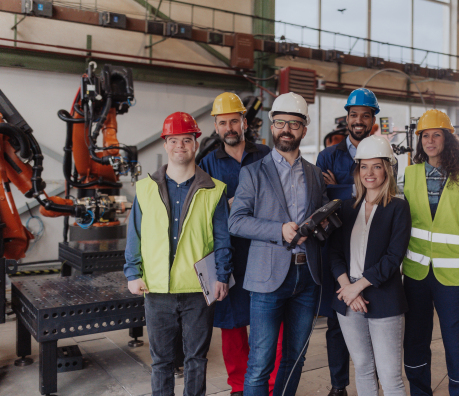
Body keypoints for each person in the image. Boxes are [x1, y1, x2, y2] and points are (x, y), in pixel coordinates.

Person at [124, 112, 232, 396]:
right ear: (165, 144)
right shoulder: (146, 189)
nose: (180, 146)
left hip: (198, 288)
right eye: (173, 140)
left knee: (196, 359)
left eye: (186, 139)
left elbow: (222, 239)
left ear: (195, 143)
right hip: (157, 289)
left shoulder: (214, 190)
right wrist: (132, 272)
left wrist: (222, 276)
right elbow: (134, 234)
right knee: (161, 361)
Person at [229, 92, 328, 396]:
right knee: (261, 362)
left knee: (295, 359)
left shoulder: (314, 173)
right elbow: (236, 221)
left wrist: (322, 222)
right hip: (267, 280)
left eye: (294, 124)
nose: (287, 129)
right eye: (281, 123)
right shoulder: (252, 173)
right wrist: (278, 230)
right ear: (272, 127)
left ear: (304, 129)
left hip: (306, 278)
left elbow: (321, 210)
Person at [198, 92, 281, 396]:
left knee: (269, 323)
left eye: (235, 120)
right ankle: (238, 388)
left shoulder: (266, 156)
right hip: (229, 255)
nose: (229, 127)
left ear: (245, 122)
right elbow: (202, 213)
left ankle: (270, 386)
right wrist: (229, 206)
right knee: (232, 326)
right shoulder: (206, 164)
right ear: (216, 127)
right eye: (223, 122)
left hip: (266, 251)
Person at [402, 109, 459, 396]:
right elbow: (403, 223)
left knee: (457, 341)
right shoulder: (410, 175)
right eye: (425, 135)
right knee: (415, 338)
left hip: (451, 276)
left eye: (437, 134)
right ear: (419, 140)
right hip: (416, 272)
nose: (430, 140)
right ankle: (419, 391)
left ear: (448, 139)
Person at [329, 135, 410, 396]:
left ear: (387, 169)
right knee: (362, 367)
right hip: (348, 297)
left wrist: (357, 287)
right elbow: (334, 252)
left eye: (376, 166)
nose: (369, 173)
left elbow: (393, 258)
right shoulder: (346, 208)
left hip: (384, 297)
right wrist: (347, 287)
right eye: (364, 166)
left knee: (390, 376)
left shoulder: (398, 207)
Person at [316, 88, 381, 396]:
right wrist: (345, 192)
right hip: (337, 248)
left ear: (372, 120)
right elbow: (322, 202)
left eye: (365, 115)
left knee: (377, 318)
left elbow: (384, 195)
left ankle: (373, 382)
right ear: (347, 118)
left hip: (372, 249)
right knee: (337, 322)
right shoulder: (328, 156)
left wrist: (339, 189)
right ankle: (338, 385)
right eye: (354, 115)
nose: (358, 121)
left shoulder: (382, 153)